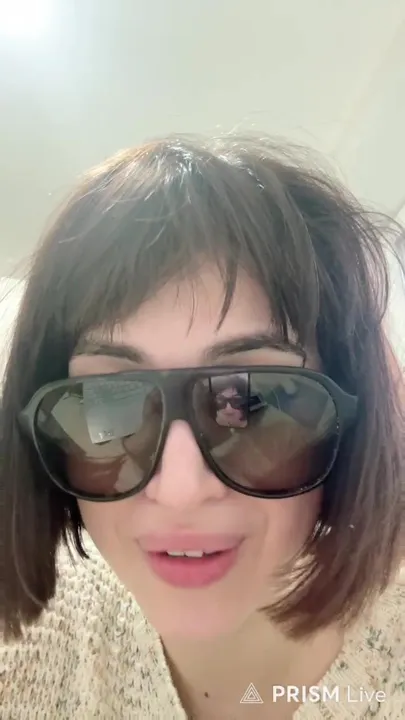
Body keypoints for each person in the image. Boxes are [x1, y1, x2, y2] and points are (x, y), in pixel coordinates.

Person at [0, 134, 404, 720]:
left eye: (254, 404)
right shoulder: (32, 644)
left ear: (351, 423)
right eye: (111, 406)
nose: (180, 491)